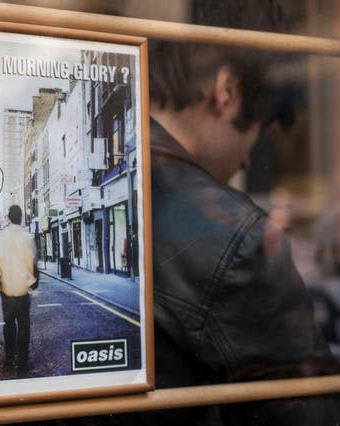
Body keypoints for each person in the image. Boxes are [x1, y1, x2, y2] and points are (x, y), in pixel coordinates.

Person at [122, 0, 340, 424]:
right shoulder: (241, 243)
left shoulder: (117, 166)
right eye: (260, 131)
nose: (246, 161)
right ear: (226, 90)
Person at [0, 205, 36, 374]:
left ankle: (9, 357)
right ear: (21, 218)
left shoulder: (1, 237)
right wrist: (30, 282)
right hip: (23, 290)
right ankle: (22, 359)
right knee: (24, 326)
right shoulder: (27, 237)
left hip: (7, 290)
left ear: (8, 218)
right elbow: (31, 262)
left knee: (9, 325)